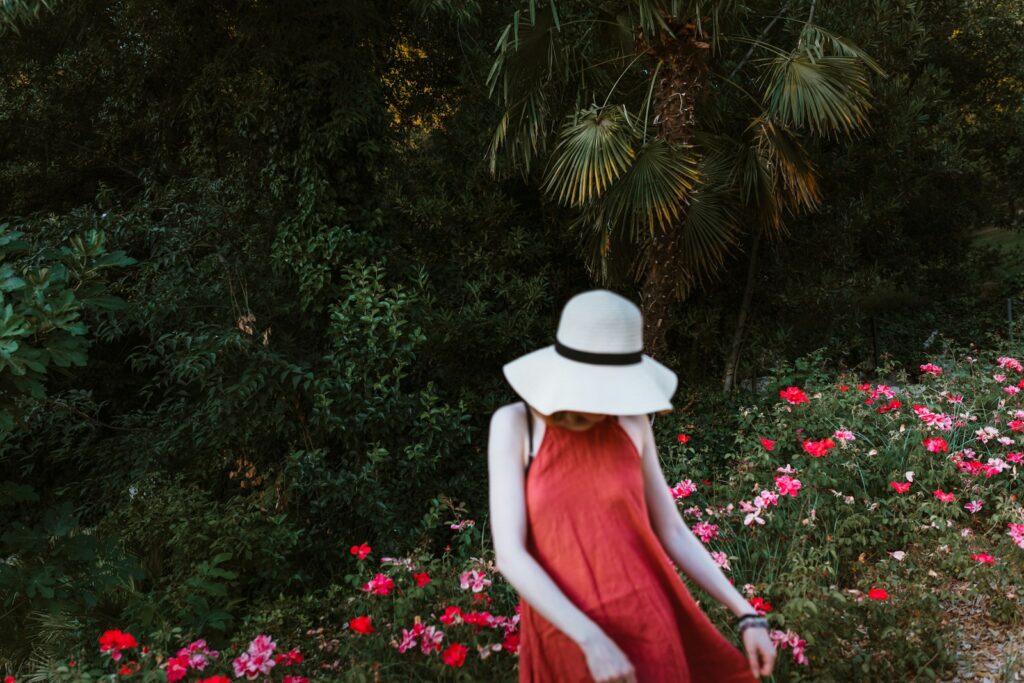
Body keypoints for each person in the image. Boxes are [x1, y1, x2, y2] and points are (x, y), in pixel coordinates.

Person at [488, 289, 776, 682]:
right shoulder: (516, 425)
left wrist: (747, 615)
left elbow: (672, 529)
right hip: (566, 638)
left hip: (645, 629)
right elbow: (510, 556)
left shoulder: (631, 424)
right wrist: (591, 639)